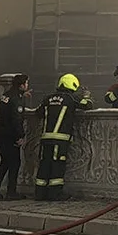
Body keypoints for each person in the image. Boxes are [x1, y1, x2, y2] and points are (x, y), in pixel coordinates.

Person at [35, 73, 92, 201]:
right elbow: (87, 105)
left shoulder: (47, 98)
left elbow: (38, 113)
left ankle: (40, 193)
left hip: (45, 138)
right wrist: (87, 97)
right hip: (60, 139)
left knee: (44, 164)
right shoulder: (70, 98)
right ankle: (55, 194)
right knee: (57, 165)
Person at [0, 73, 31, 200]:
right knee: (14, 162)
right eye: (26, 83)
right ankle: (11, 192)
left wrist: (22, 96)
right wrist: (20, 136)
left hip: (0, 132)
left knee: (5, 161)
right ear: (21, 85)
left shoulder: (7, 95)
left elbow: (9, 107)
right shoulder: (16, 99)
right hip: (10, 134)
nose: (28, 85)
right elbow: (16, 119)